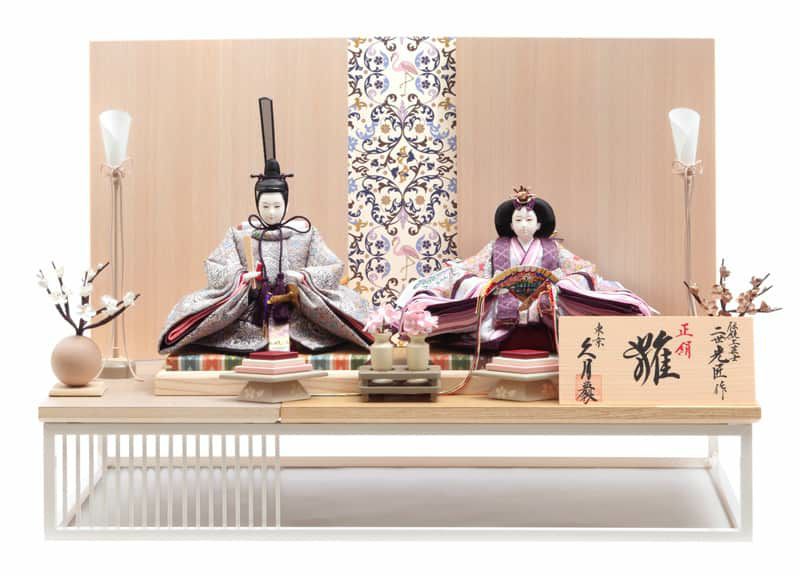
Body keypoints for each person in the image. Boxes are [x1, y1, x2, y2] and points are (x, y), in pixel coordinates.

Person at [158, 98, 371, 355]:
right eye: (265, 206)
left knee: (346, 313)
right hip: (250, 312)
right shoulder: (240, 234)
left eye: (277, 206)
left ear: (286, 204)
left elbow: (332, 267)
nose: (271, 212)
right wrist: (240, 277)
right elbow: (215, 266)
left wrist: (303, 277)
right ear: (256, 203)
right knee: (203, 314)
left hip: (296, 309)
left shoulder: (305, 233)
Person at [395, 186, 654, 351]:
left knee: (566, 296)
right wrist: (489, 285)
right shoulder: (496, 247)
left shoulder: (553, 248)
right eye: (518, 220)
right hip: (501, 304)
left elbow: (584, 268)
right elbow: (466, 270)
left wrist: (561, 284)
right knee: (480, 297)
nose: (523, 225)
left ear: (540, 224)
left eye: (529, 219)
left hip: (546, 305)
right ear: (510, 224)